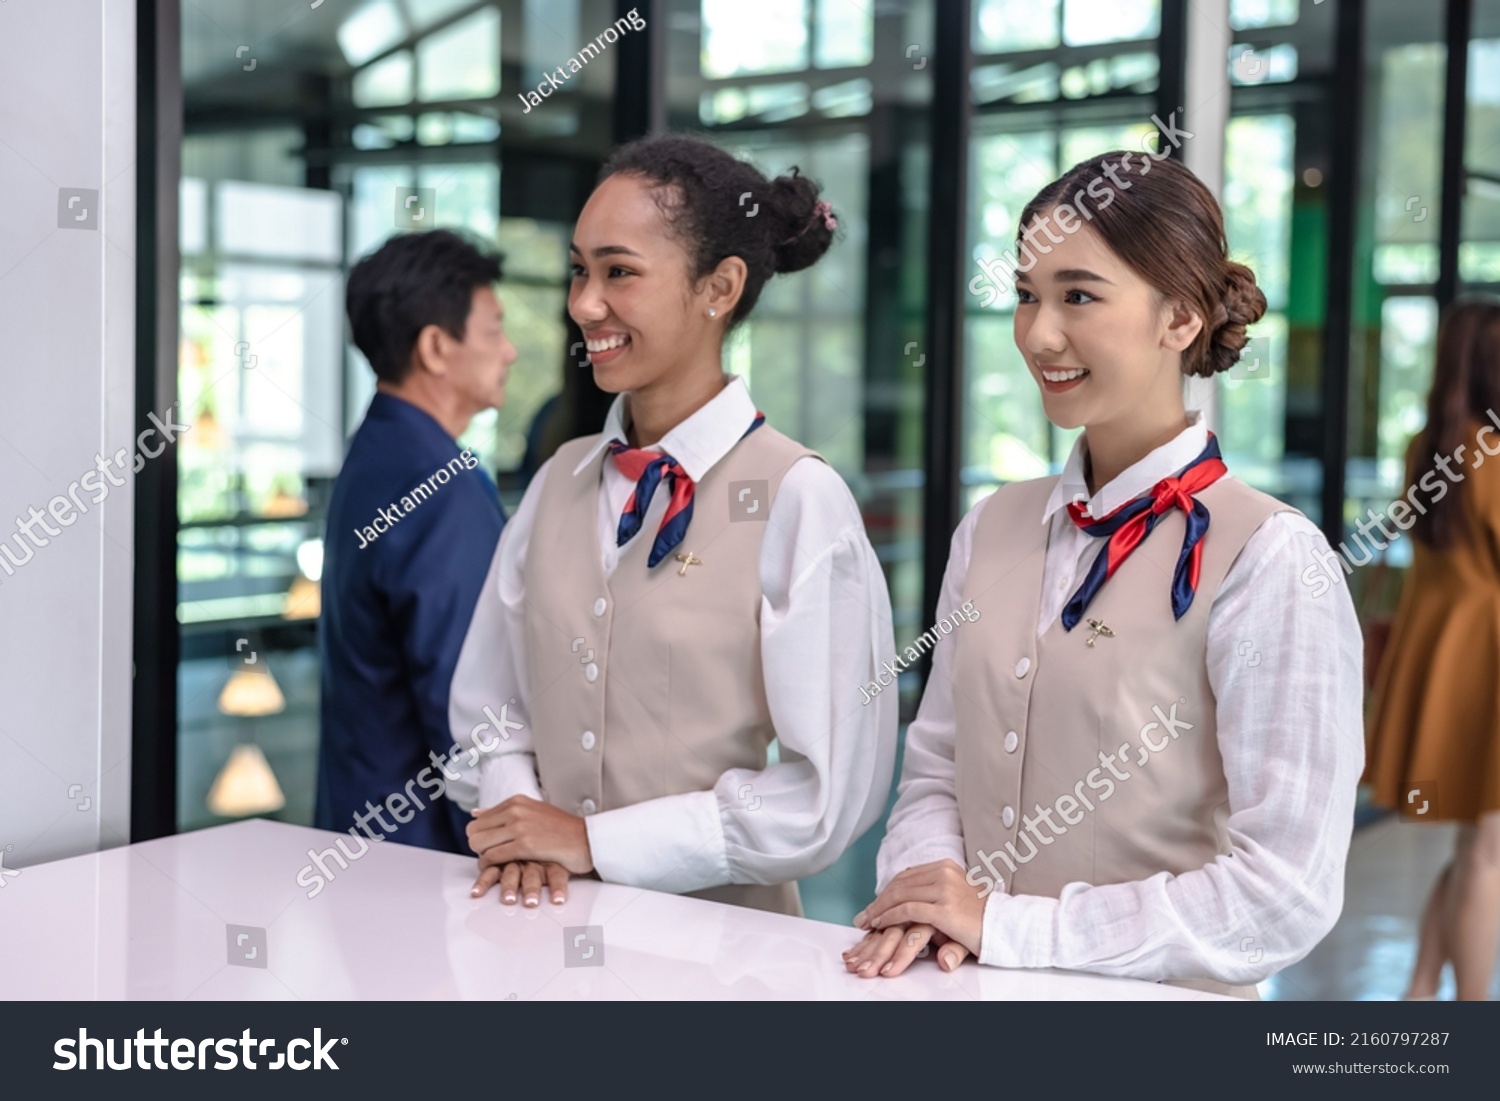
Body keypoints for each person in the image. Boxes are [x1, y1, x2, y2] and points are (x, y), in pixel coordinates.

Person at [842, 151, 1364, 997]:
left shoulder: (1270, 559)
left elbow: (1285, 891)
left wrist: (1009, 926)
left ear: (1181, 318)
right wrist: (924, 891)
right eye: (1025, 296)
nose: (1039, 333)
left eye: (1078, 296)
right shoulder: (990, 529)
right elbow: (937, 769)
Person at [447, 133, 898, 914]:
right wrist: (521, 817)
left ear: (719, 286)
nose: (584, 304)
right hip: (535, 932)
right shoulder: (559, 481)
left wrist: (592, 843)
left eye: (619, 272)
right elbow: (490, 708)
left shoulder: (799, 498)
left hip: (723, 964)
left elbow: (822, 799)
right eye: (579, 272)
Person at [316, 229, 516, 855]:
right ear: (436, 346)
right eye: (493, 331)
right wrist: (502, 852)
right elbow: (466, 705)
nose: (508, 351)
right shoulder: (442, 485)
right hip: (426, 859)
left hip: (361, 830)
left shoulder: (376, 450)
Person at [1366, 296, 1500, 1001]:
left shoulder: (1431, 444)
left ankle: (1421, 988)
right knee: (1488, 849)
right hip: (1490, 660)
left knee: (1475, 844)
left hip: (1444, 654)